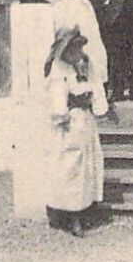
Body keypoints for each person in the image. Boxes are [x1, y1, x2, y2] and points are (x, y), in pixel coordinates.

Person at [36, 0, 110, 115]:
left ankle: (96, 96)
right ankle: (61, 95)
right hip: (63, 10)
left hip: (82, 8)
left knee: (90, 47)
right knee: (63, 48)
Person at [43, 26, 105, 237]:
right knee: (70, 167)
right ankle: (70, 215)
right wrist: (63, 116)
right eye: (76, 49)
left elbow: (94, 87)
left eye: (80, 49)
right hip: (70, 122)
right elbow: (58, 102)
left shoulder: (83, 67)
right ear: (66, 51)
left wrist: (95, 103)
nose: (80, 53)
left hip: (84, 121)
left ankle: (85, 208)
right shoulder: (59, 72)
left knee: (86, 165)